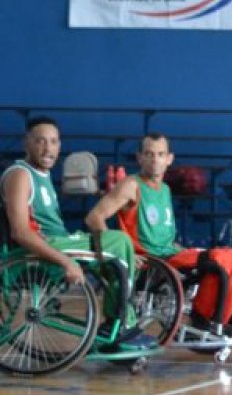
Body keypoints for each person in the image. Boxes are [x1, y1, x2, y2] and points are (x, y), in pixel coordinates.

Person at [1, 117, 153, 350]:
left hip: (57, 242)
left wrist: (127, 257)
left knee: (119, 250)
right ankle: (122, 326)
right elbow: (20, 232)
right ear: (26, 143)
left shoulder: (43, 175)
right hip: (36, 252)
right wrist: (66, 262)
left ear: (60, 145)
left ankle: (113, 324)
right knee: (118, 241)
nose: (48, 148)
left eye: (53, 141)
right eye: (40, 141)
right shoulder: (20, 175)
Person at [86, 133, 232, 336]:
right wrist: (122, 252)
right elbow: (94, 217)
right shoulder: (131, 185)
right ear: (139, 157)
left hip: (170, 253)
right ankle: (204, 319)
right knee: (220, 261)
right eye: (149, 154)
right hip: (151, 260)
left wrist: (183, 249)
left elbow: (164, 238)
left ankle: (212, 317)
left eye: (160, 154)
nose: (155, 159)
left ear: (169, 159)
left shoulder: (164, 189)